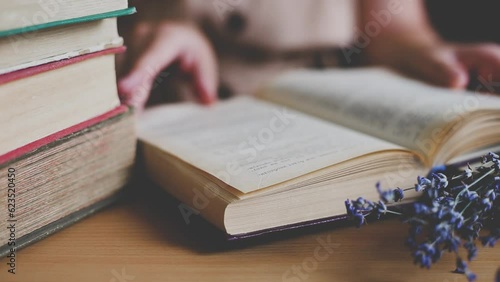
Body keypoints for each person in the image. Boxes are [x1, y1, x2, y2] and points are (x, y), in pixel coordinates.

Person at [117, 0, 500, 111]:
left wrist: (432, 53)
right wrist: (141, 36)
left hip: (336, 120)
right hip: (175, 113)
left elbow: (394, 30)